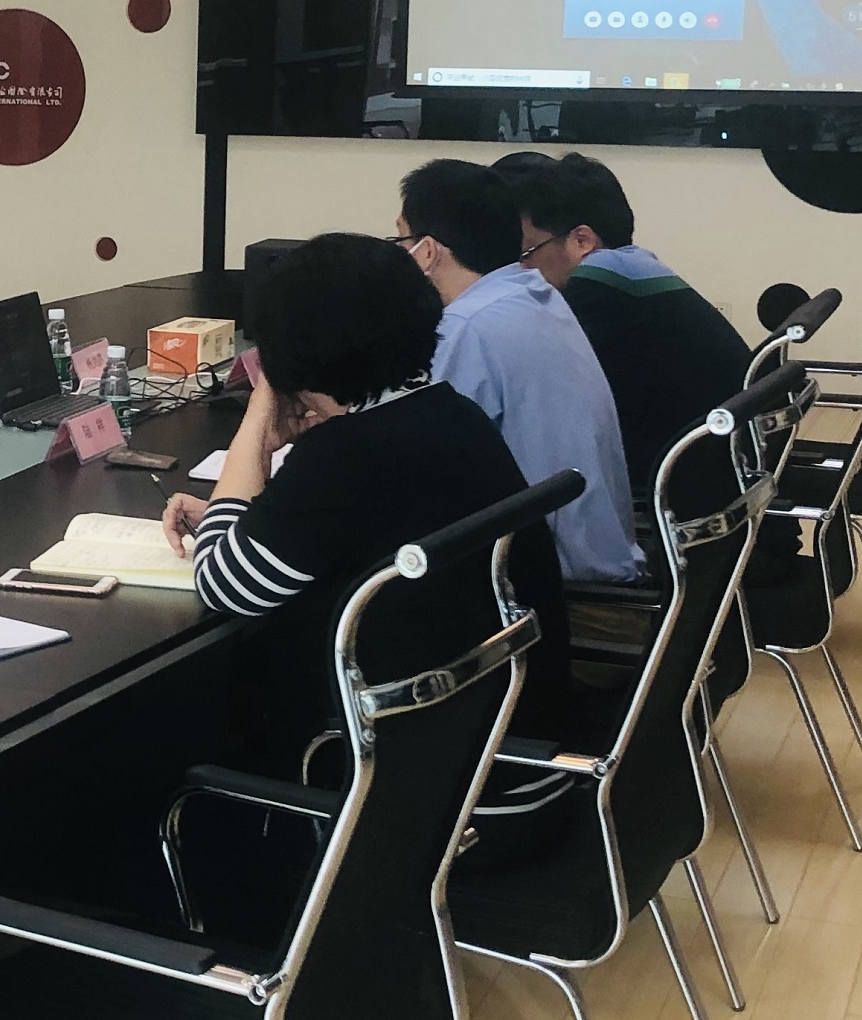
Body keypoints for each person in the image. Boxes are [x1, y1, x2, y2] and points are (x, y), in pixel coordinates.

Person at [152, 233, 579, 857]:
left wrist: (260, 419)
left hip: (433, 812)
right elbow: (346, 529)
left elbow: (224, 584)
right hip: (520, 767)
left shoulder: (344, 458)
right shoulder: (450, 414)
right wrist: (241, 508)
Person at [395, 158, 644, 584]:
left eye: (401, 240)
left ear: (428, 251)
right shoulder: (536, 297)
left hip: (555, 580)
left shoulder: (467, 327)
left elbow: (416, 464)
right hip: (596, 553)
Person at [496, 151, 753, 509]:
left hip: (685, 482)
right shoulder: (634, 264)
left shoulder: (599, 282)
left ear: (582, 240)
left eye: (526, 253)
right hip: (724, 463)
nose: (520, 269)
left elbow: (525, 374)